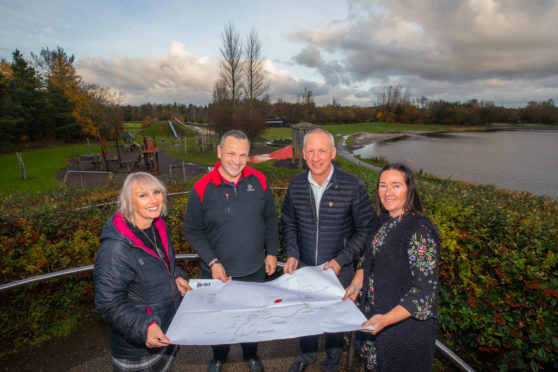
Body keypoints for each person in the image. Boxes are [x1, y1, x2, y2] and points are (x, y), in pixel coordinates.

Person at [183, 129, 280, 372]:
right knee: (220, 321)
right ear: (219, 152)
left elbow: (270, 219)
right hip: (217, 274)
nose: (237, 160)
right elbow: (192, 230)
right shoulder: (202, 188)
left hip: (254, 270)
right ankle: (219, 356)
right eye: (231, 153)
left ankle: (251, 354)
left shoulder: (259, 180)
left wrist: (272, 252)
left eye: (243, 155)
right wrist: (213, 262)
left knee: (251, 318)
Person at [282, 128, 375, 372]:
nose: (316, 157)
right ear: (303, 154)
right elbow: (289, 223)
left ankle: (332, 363)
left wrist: (341, 260)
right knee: (306, 317)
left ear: (333, 152)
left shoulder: (352, 186)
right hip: (304, 268)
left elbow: (366, 230)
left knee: (335, 324)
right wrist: (291, 253)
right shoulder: (296, 185)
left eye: (322, 150)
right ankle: (307, 356)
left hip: (339, 270)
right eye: (310, 151)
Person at [343, 162, 441, 371]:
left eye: (396, 185)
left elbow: (424, 294)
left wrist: (386, 319)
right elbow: (369, 258)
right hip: (378, 324)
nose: (388, 193)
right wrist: (356, 283)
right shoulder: (383, 221)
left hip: (403, 332)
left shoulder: (419, 231)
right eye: (382, 185)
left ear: (409, 189)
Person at [94, 172, 192, 372]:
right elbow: (107, 302)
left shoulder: (157, 227)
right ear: (129, 201)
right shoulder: (116, 247)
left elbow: (162, 265)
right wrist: (145, 326)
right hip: (138, 347)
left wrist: (176, 276)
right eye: (143, 195)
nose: (153, 199)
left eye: (156, 192)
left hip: (166, 330)